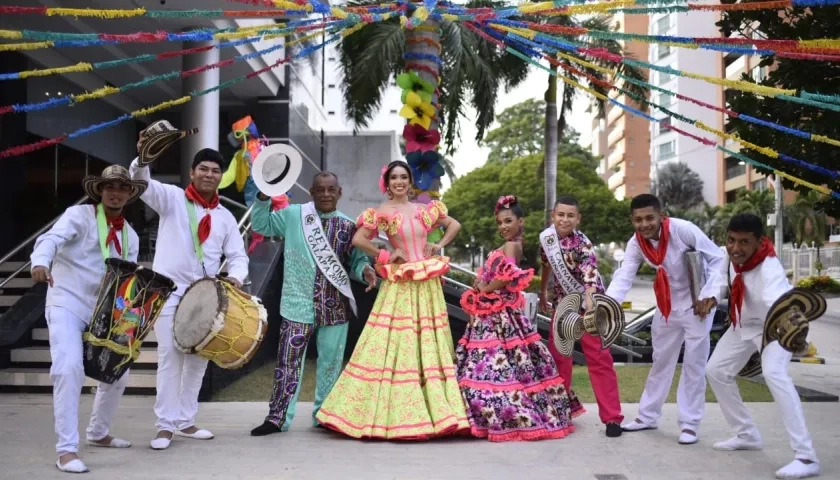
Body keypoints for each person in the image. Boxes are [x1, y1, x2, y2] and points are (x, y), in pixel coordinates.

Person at [314, 160, 470, 439]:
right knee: (396, 342)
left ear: (411, 182)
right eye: (394, 178)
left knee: (430, 342)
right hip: (400, 283)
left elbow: (454, 224)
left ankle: (435, 408)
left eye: (404, 177)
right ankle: (393, 412)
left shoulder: (426, 209)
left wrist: (439, 245)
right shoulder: (380, 213)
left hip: (427, 282)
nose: (399, 182)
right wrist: (385, 256)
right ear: (387, 184)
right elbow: (359, 240)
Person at [130, 132, 249, 451]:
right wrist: (143, 158)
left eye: (215, 171)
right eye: (204, 169)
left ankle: (185, 420)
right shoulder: (170, 198)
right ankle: (164, 425)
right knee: (170, 357)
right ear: (193, 172)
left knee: (199, 360)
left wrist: (236, 277)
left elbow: (238, 255)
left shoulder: (225, 217)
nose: (209, 175)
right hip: (167, 294)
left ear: (220, 176)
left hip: (206, 298)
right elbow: (140, 182)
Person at [30, 165, 146, 473]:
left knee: (119, 369)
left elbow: (127, 281)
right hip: (66, 300)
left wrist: (131, 314)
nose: (116, 192)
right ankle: (66, 450)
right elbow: (50, 239)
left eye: (122, 187)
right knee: (68, 368)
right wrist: (40, 262)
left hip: (105, 311)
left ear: (129, 193)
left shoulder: (130, 236)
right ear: (100, 190)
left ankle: (98, 433)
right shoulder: (77, 216)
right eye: (110, 186)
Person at [248, 172, 376, 436]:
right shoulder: (295, 215)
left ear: (340, 192)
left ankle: (325, 416)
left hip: (335, 308)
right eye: (321, 190)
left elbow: (357, 262)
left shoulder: (349, 226)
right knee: (287, 362)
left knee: (330, 364)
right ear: (311, 191)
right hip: (297, 304)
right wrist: (263, 195)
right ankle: (277, 418)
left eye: (331, 189)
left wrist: (365, 271)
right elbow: (261, 226)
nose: (326, 194)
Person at [706, 213, 820, 479]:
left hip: (773, 326)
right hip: (742, 326)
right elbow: (721, 282)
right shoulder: (730, 256)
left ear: (760, 242)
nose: (736, 248)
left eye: (744, 242)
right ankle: (746, 434)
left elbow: (776, 300)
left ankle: (806, 457)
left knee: (774, 374)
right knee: (716, 370)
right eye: (732, 240)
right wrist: (709, 298)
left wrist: (795, 335)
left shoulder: (769, 267)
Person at [605, 193, 725, 444]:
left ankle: (690, 423)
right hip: (667, 306)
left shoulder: (684, 230)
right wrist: (608, 305)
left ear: (662, 215)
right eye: (639, 219)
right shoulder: (636, 243)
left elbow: (718, 258)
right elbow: (624, 275)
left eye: (650, 217)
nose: (645, 224)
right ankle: (647, 416)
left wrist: (710, 295)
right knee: (660, 361)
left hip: (697, 305)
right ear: (632, 220)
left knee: (694, 364)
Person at [456, 195, 575, 442]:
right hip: (495, 312)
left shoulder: (512, 245)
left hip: (499, 314)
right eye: (500, 222)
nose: (503, 227)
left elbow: (508, 277)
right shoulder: (512, 244)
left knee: (494, 365)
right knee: (507, 365)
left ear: (521, 221)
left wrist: (485, 288)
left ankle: (500, 414)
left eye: (508, 221)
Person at [538, 196, 624, 437]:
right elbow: (546, 264)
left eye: (570, 215)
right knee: (559, 358)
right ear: (553, 215)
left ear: (578, 218)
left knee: (599, 359)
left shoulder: (582, 243)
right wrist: (543, 291)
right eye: (561, 214)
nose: (565, 219)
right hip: (563, 305)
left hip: (589, 303)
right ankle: (560, 412)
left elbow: (589, 277)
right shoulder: (547, 239)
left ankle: (612, 418)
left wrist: (590, 308)